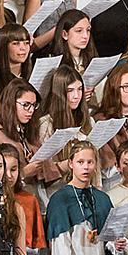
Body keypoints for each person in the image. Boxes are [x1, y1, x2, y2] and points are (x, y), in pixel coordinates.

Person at [46, 140, 128, 255]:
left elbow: (109, 241)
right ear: (71, 163)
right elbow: (60, 247)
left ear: (95, 164)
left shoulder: (102, 198)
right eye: (80, 162)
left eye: (90, 162)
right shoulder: (60, 200)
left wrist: (116, 244)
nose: (86, 167)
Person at [34, 66, 94, 210]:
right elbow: (45, 170)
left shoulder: (88, 121)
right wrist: (72, 163)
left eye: (79, 89)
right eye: (70, 90)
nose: (76, 95)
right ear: (59, 93)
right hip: (58, 195)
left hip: (86, 192)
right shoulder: (46, 125)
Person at [0, 78, 41, 185]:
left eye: (34, 105)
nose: (31, 110)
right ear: (10, 104)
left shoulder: (25, 130)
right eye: (26, 105)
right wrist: (24, 173)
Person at [94, 62, 128, 178]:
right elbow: (106, 167)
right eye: (127, 86)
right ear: (114, 89)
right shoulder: (102, 120)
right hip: (115, 181)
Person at [51, 9, 96, 79]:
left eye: (88, 30)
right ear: (65, 34)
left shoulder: (92, 58)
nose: (85, 36)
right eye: (79, 31)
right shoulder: (55, 62)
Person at [0, 23, 33, 90]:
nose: (23, 48)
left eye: (26, 43)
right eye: (16, 43)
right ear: (4, 46)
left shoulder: (33, 73)